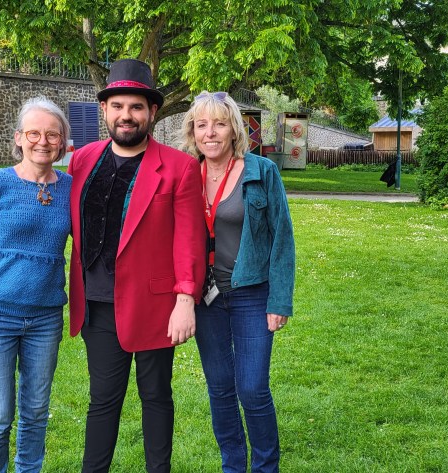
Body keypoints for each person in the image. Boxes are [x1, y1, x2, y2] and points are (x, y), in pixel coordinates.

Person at [66, 58, 207, 473]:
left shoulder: (179, 167)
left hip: (155, 305)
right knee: (102, 401)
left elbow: (190, 240)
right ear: (104, 110)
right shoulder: (82, 160)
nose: (126, 115)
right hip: (97, 304)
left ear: (152, 112)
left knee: (156, 397)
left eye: (136, 107)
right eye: (117, 106)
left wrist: (185, 300)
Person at [0, 96, 73, 473]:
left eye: (52, 134)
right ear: (19, 138)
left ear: (63, 142)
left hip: (45, 319)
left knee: (36, 412)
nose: (43, 142)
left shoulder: (71, 189)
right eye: (34, 133)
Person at [180, 91, 296, 473]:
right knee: (219, 387)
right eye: (202, 125)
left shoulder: (261, 172)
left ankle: (265, 467)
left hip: (251, 294)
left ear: (234, 129)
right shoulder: (185, 175)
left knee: (252, 387)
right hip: (206, 299)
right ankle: (233, 465)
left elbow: (282, 238)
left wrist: (279, 300)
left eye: (219, 124)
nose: (210, 133)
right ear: (193, 132)